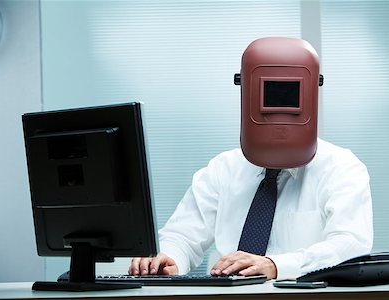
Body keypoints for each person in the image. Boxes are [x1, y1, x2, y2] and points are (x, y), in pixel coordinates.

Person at [128, 37, 373, 281]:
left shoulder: (342, 168)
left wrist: (276, 265)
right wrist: (167, 257)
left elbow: (351, 245)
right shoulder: (222, 170)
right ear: (244, 88)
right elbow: (182, 236)